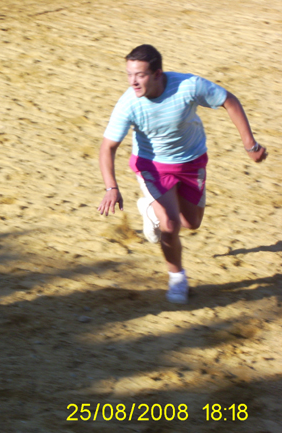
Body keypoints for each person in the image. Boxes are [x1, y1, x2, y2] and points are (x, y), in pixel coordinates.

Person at [97, 44, 268, 304]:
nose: (133, 81)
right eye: (129, 74)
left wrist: (250, 145)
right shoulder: (128, 104)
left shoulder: (189, 86)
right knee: (170, 225)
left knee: (191, 223)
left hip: (191, 161)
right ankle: (177, 277)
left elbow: (229, 101)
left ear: (157, 74)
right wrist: (111, 187)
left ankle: (149, 209)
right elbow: (107, 147)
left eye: (140, 75)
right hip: (151, 166)